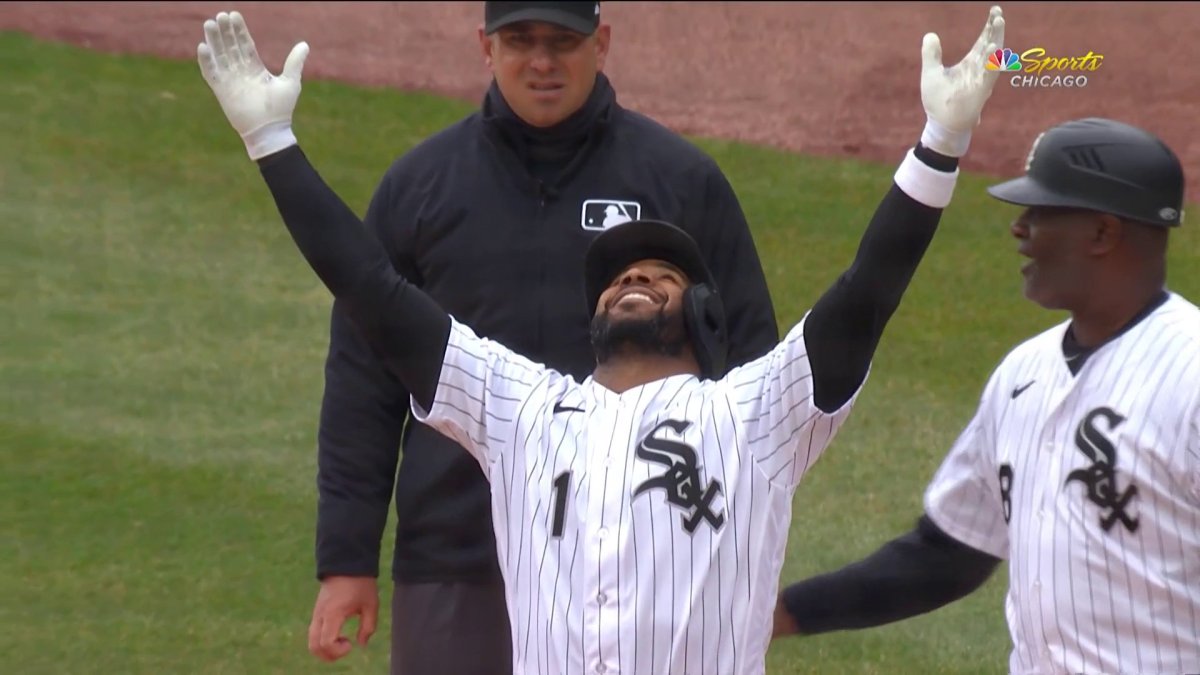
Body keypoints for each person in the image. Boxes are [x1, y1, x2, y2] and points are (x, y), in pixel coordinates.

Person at [196, 4, 1007, 673]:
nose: (635, 279)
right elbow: (370, 293)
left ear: (701, 314)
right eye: (618, 277)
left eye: (662, 274)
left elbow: (864, 295)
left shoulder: (755, 414)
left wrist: (938, 150)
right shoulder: (523, 410)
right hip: (450, 562)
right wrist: (272, 145)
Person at [772, 117, 1200, 675]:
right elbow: (949, 554)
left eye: (1041, 213)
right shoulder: (1024, 374)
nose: (1019, 229)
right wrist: (777, 614)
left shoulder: (1189, 374)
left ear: (1102, 233)